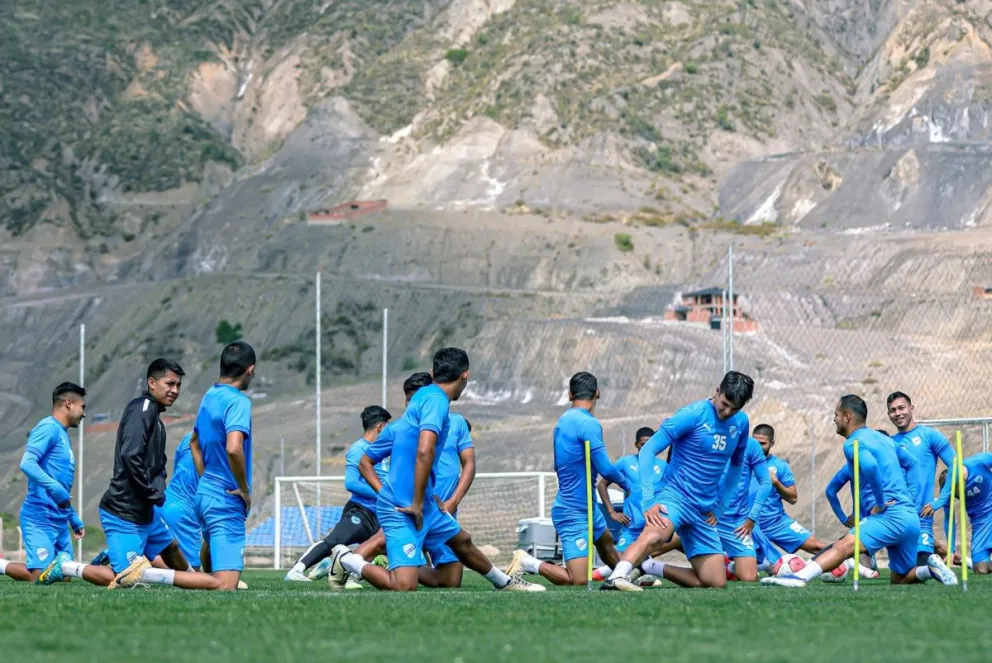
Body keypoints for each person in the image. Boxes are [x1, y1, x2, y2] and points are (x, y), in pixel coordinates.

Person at [328, 348, 542, 592]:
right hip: (405, 508)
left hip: (426, 503)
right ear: (465, 375)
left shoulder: (424, 398)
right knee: (403, 586)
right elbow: (424, 451)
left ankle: (504, 582)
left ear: (432, 373)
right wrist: (408, 501)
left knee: (461, 548)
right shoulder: (437, 401)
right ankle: (346, 559)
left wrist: (420, 499)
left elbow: (372, 458)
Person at [762, 395, 957, 587]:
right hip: (909, 516)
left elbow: (870, 466)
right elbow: (913, 464)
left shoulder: (852, 443)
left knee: (843, 546)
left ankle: (799, 578)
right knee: (899, 578)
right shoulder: (885, 440)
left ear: (847, 417)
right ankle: (929, 569)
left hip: (890, 516)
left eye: (836, 415)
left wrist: (880, 503)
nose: (834, 419)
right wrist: (910, 499)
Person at [601, 371, 755, 591]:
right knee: (655, 536)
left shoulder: (741, 422)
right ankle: (616, 577)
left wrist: (721, 506)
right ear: (717, 391)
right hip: (675, 496)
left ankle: (649, 566)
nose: (727, 412)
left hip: (703, 509)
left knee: (715, 582)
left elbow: (737, 466)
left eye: (735, 408)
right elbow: (648, 451)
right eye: (725, 403)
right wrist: (648, 500)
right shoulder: (691, 414)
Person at [94, 358, 222, 590]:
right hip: (123, 513)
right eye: (169, 383)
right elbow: (130, 455)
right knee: (126, 578)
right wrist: (151, 492)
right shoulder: (142, 409)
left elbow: (154, 463)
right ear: (151, 383)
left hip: (146, 511)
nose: (174, 390)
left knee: (171, 548)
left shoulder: (156, 417)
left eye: (178, 385)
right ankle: (67, 567)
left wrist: (155, 494)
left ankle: (194, 580)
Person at [505, 372, 630, 586]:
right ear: (597, 393)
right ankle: (527, 561)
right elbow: (607, 470)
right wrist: (630, 484)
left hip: (587, 505)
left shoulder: (563, 420)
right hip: (573, 510)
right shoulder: (588, 423)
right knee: (578, 581)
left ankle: (624, 576)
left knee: (606, 542)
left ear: (569, 394)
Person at [0, 383, 99, 584]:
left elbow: (61, 488)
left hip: (60, 519)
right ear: (69, 404)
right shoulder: (48, 428)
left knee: (64, 579)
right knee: (38, 575)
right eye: (83, 407)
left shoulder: (63, 435)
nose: (84, 414)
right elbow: (27, 463)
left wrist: (73, 518)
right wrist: (55, 489)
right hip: (40, 517)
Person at [284, 405, 392, 583]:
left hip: (380, 513)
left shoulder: (382, 452)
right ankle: (296, 570)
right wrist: (382, 494)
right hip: (361, 511)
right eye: (387, 426)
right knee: (335, 540)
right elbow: (351, 483)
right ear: (380, 426)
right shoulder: (359, 449)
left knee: (382, 549)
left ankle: (332, 563)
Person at [887, 392, 957, 565]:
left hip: (921, 517)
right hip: (897, 516)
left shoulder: (929, 435)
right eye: (892, 410)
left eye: (901, 408)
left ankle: (937, 559)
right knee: (899, 576)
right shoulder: (889, 443)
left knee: (920, 565)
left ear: (911, 408)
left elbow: (956, 466)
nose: (898, 413)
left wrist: (940, 501)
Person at [590, 427, 663, 583]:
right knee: (621, 560)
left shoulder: (664, 467)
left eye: (650, 444)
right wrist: (612, 513)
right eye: (643, 444)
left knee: (678, 540)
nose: (646, 448)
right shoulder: (625, 462)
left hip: (654, 527)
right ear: (636, 444)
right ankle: (641, 574)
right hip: (631, 527)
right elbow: (602, 484)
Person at [751, 425, 827, 556]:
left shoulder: (781, 466)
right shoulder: (739, 463)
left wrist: (776, 482)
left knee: (817, 546)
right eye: (754, 442)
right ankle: (768, 563)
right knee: (744, 568)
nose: (757, 447)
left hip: (776, 522)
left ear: (772, 443)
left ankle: (855, 565)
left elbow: (793, 498)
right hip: (748, 525)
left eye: (762, 443)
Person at [933, 454, 992, 574]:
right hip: (980, 524)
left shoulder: (978, 462)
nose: (957, 494)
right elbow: (949, 519)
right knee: (981, 569)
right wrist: (951, 550)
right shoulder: (947, 491)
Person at [158, 431, 203, 570]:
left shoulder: (188, 436)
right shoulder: (219, 442)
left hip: (166, 500)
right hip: (185, 512)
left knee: (168, 556)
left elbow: (177, 466)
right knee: (190, 573)